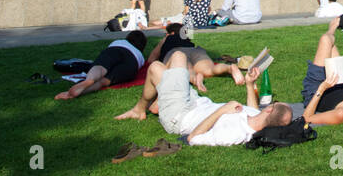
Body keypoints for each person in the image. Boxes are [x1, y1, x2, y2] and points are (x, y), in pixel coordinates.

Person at [115, 49, 293, 145]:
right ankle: (159, 101)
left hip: (181, 115)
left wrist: (223, 110)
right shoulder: (256, 118)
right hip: (195, 102)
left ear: (269, 109)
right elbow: (253, 110)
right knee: (169, 66)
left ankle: (141, 109)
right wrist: (249, 84)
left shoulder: (236, 134)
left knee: (162, 64)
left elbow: (194, 138)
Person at [145, 22, 244, 92]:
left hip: (176, 53)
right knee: (210, 69)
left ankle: (195, 79)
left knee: (187, 70)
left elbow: (151, 59)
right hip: (196, 51)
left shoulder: (168, 38)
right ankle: (229, 68)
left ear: (171, 33)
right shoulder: (187, 40)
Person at [56, 31, 148, 99]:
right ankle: (78, 92)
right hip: (132, 63)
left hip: (117, 50)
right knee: (103, 82)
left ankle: (89, 80)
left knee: (100, 68)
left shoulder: (120, 42)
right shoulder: (141, 57)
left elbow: (105, 60)